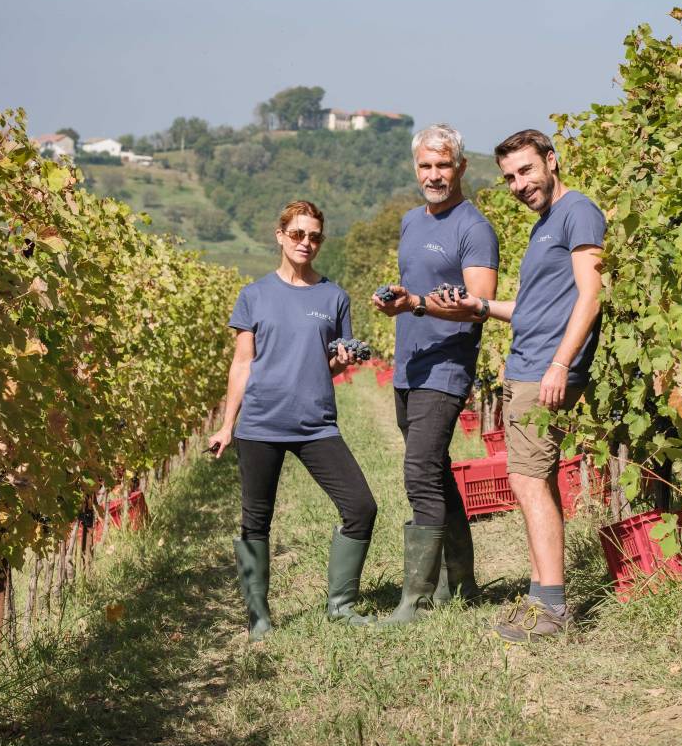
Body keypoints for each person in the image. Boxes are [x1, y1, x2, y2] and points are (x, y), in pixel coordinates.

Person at [456, 129, 605, 643]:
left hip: (545, 369)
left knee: (527, 480)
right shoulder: (546, 225)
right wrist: (477, 308)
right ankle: (545, 597)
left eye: (526, 171)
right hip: (529, 365)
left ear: (551, 160)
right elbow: (533, 310)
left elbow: (591, 295)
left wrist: (561, 364)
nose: (519, 184)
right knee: (531, 479)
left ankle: (553, 608)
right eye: (509, 178)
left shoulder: (577, 211)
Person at [209, 200, 377, 641]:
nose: (307, 243)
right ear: (280, 235)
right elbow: (242, 364)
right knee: (255, 520)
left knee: (361, 507)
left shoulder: (334, 297)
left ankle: (340, 606)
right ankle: (259, 616)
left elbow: (328, 364)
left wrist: (340, 364)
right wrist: (228, 425)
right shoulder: (255, 295)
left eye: (315, 236)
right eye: (298, 234)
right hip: (261, 423)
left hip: (316, 423)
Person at [371, 124, 499, 624]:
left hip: (446, 366)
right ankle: (460, 581)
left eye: (443, 165)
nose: (434, 174)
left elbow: (478, 306)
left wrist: (418, 304)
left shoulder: (474, 228)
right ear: (416, 168)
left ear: (461, 167)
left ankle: (417, 598)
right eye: (426, 166)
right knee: (437, 470)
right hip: (409, 363)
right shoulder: (410, 221)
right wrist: (395, 300)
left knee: (419, 471)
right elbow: (414, 288)